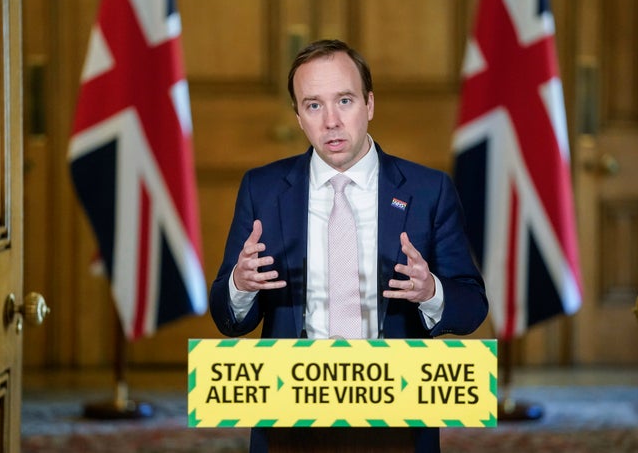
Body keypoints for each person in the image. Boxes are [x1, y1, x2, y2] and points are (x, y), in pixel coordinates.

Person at [209, 39, 488, 453]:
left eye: (344, 100)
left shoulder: (428, 191)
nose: (332, 121)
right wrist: (239, 285)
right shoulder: (263, 189)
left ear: (369, 104)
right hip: (290, 407)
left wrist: (431, 292)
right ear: (299, 117)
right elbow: (226, 317)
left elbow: (472, 308)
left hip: (396, 409)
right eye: (314, 105)